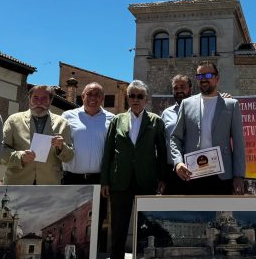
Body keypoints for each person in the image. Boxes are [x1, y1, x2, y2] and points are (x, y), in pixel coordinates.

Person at [101, 80, 167, 259]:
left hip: (146, 181)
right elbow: (108, 152)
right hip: (120, 181)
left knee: (144, 227)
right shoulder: (117, 120)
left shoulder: (155, 121)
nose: (135, 99)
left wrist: (162, 179)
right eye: (132, 95)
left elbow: (162, 153)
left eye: (140, 96)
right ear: (127, 98)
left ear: (146, 99)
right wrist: (105, 181)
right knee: (118, 227)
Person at [170, 61, 246, 195]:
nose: (204, 79)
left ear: (217, 78)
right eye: (200, 76)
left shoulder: (231, 105)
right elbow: (175, 138)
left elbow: (239, 143)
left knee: (221, 215)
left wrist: (238, 175)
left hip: (222, 176)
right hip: (192, 173)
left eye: (208, 75)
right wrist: (178, 162)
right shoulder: (186, 104)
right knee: (195, 215)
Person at [1, 85, 74, 185]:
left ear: (51, 100)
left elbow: (69, 157)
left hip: (48, 184)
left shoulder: (62, 123)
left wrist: (61, 147)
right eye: (35, 98)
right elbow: (0, 151)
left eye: (44, 98)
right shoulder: (13, 121)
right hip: (17, 183)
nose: (39, 102)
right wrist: (20, 156)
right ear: (29, 99)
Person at [61, 82, 115, 185]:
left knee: (99, 202)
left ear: (102, 99)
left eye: (97, 95)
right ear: (82, 96)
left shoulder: (112, 119)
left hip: (99, 180)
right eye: (89, 94)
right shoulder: (67, 116)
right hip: (72, 179)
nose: (93, 98)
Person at [161, 74, 191, 194]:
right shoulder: (166, 114)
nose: (179, 90)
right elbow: (162, 146)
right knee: (173, 211)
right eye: (175, 88)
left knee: (198, 211)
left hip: (196, 169)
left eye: (182, 87)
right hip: (172, 171)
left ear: (190, 88)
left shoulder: (201, 109)